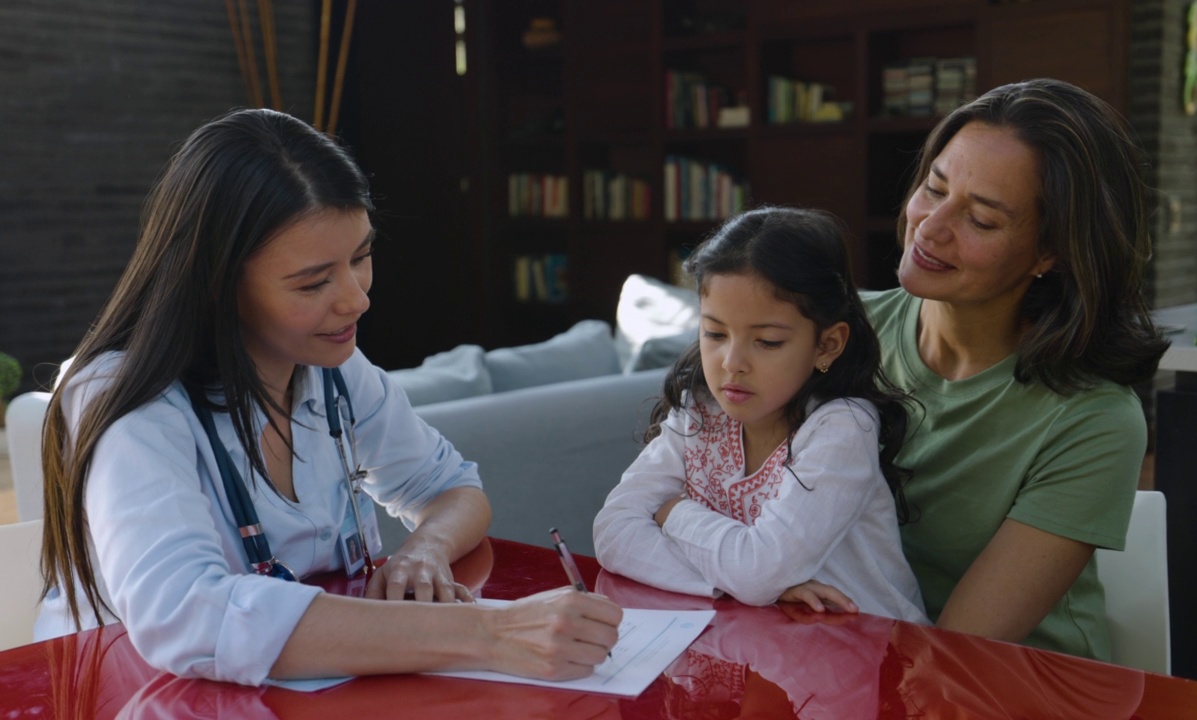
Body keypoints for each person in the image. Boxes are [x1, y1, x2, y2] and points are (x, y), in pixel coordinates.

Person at [36, 108, 621, 686]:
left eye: (361, 257)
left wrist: (426, 547)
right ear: (217, 284)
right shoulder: (123, 396)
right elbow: (185, 616)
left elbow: (451, 488)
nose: (356, 299)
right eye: (314, 281)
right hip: (129, 691)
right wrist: (491, 637)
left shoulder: (332, 367)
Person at [862, 78, 1170, 660]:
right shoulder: (831, 333)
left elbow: (956, 652)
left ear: (1051, 253)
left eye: (980, 220)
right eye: (934, 188)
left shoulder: (1093, 419)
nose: (930, 226)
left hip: (1012, 687)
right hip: (847, 665)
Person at [593, 206, 928, 624]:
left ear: (827, 345)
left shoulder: (841, 427)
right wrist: (740, 584)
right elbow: (613, 534)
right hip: (763, 642)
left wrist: (673, 513)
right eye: (715, 334)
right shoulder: (700, 410)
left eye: (767, 342)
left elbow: (760, 571)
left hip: (872, 652)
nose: (732, 363)